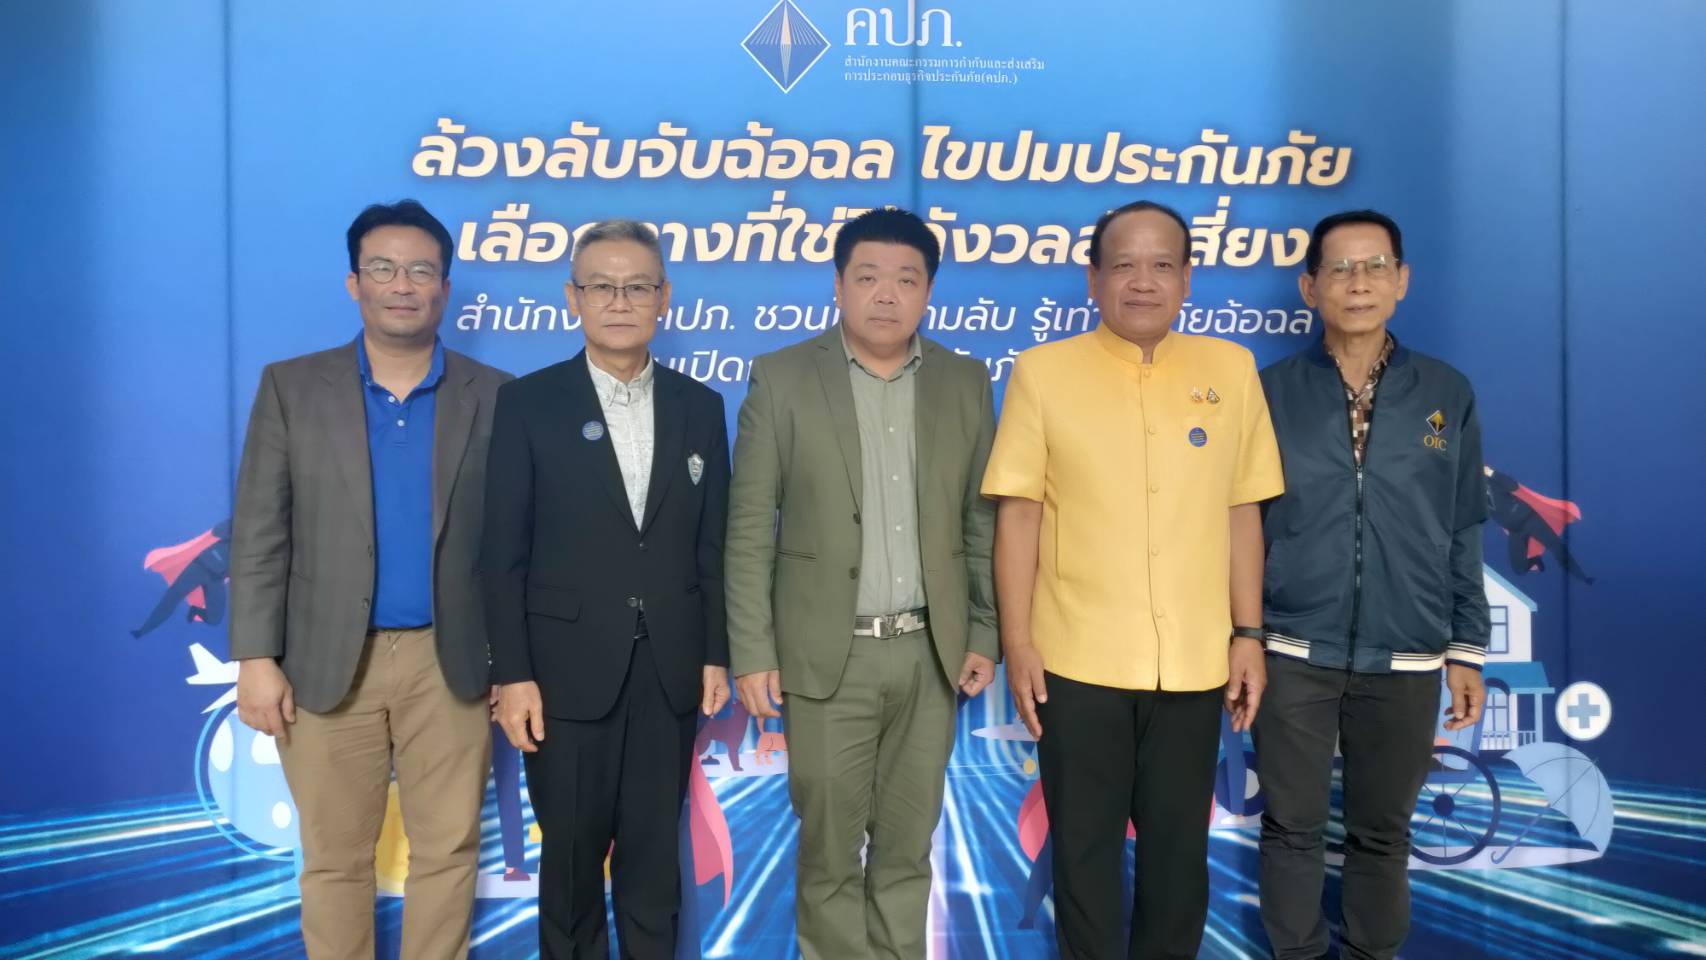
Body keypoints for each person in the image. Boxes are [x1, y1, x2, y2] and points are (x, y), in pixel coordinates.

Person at [983, 200, 1284, 959]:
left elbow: (1241, 511)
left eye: (1161, 265)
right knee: (1083, 857)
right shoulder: (1043, 372)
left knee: (1178, 861)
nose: (1142, 282)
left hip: (1194, 662)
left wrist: (1248, 634)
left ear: (1187, 278)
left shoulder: (1230, 370)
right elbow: (1019, 516)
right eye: (1123, 265)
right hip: (1075, 660)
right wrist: (1018, 642)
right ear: (1093, 279)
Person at [230, 199, 510, 960]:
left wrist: (514, 662)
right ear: (354, 283)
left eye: (421, 270)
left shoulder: (496, 393)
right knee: (334, 860)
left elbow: (517, 542)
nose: (402, 285)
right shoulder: (292, 388)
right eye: (383, 268)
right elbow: (259, 531)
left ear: (444, 288)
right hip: (324, 661)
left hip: (451, 661)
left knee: (447, 853)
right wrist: (255, 658)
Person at [725, 207, 998, 960]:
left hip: (930, 655)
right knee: (830, 857)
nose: (886, 294)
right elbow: (749, 529)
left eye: (906, 279)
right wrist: (753, 651)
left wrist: (984, 630)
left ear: (929, 290)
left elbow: (980, 521)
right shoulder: (782, 377)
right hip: (824, 659)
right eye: (868, 276)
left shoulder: (965, 381)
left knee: (908, 851)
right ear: (839, 285)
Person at [482, 219, 731, 959]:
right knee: (569, 873)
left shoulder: (701, 406)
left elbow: (712, 547)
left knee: (655, 872)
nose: (620, 302)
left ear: (664, 297)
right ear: (573, 298)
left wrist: (715, 652)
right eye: (602, 287)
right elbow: (502, 554)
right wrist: (513, 675)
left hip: (668, 671)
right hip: (562, 675)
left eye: (637, 286)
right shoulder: (528, 403)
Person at [1255, 209, 1489, 960]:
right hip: (1293, 648)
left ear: (1402, 280)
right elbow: (1238, 525)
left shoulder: (1446, 391)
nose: (1358, 282)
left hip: (1408, 653)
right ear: (1310, 287)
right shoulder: (1269, 392)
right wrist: (1245, 634)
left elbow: (1462, 525)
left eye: (1375, 266)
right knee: (1290, 829)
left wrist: (1467, 647)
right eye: (1340, 268)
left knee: (1382, 835)